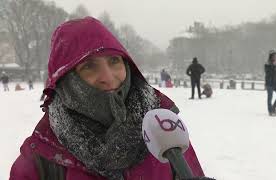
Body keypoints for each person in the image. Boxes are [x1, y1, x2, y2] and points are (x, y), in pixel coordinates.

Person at [10, 17, 211, 180]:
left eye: (114, 61)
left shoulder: (164, 128)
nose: (108, 77)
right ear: (66, 80)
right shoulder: (40, 160)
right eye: (89, 66)